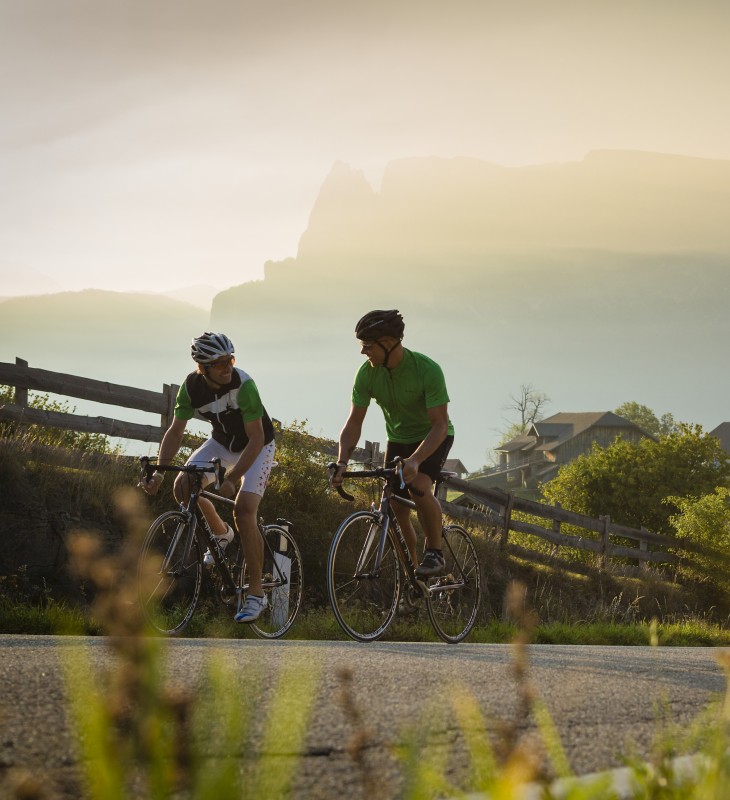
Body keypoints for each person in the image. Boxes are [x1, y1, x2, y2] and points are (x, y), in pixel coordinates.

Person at [141, 332, 276, 623]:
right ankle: (221, 533)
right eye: (219, 363)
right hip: (222, 443)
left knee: (244, 510)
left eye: (230, 359)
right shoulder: (191, 388)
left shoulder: (244, 385)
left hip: (258, 446)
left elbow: (256, 439)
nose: (228, 367)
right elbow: (175, 431)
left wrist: (232, 479)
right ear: (203, 368)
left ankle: (256, 594)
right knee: (183, 486)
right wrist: (161, 472)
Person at [332, 309, 454, 577]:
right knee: (395, 504)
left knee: (420, 485)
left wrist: (417, 460)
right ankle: (414, 574)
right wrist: (342, 460)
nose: (363, 352)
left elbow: (440, 425)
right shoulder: (366, 374)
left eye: (367, 345)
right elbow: (354, 423)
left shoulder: (427, 370)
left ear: (388, 343)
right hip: (399, 439)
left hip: (432, 436)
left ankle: (435, 553)